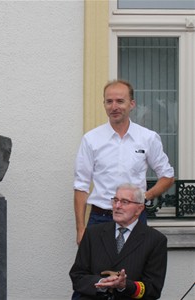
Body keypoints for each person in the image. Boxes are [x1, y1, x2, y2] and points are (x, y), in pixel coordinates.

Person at [73, 79, 174, 245]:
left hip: (135, 218)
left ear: (132, 104)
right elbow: (81, 186)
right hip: (100, 218)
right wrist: (80, 229)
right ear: (104, 104)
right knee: (98, 270)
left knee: (134, 269)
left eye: (120, 101)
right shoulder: (91, 140)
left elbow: (167, 176)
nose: (114, 107)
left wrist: (144, 197)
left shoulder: (147, 138)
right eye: (109, 101)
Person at [69, 183, 167, 299]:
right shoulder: (92, 233)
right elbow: (77, 276)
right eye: (115, 200)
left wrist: (124, 285)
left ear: (139, 209)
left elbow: (153, 289)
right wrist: (102, 282)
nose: (117, 206)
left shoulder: (155, 240)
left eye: (124, 202)